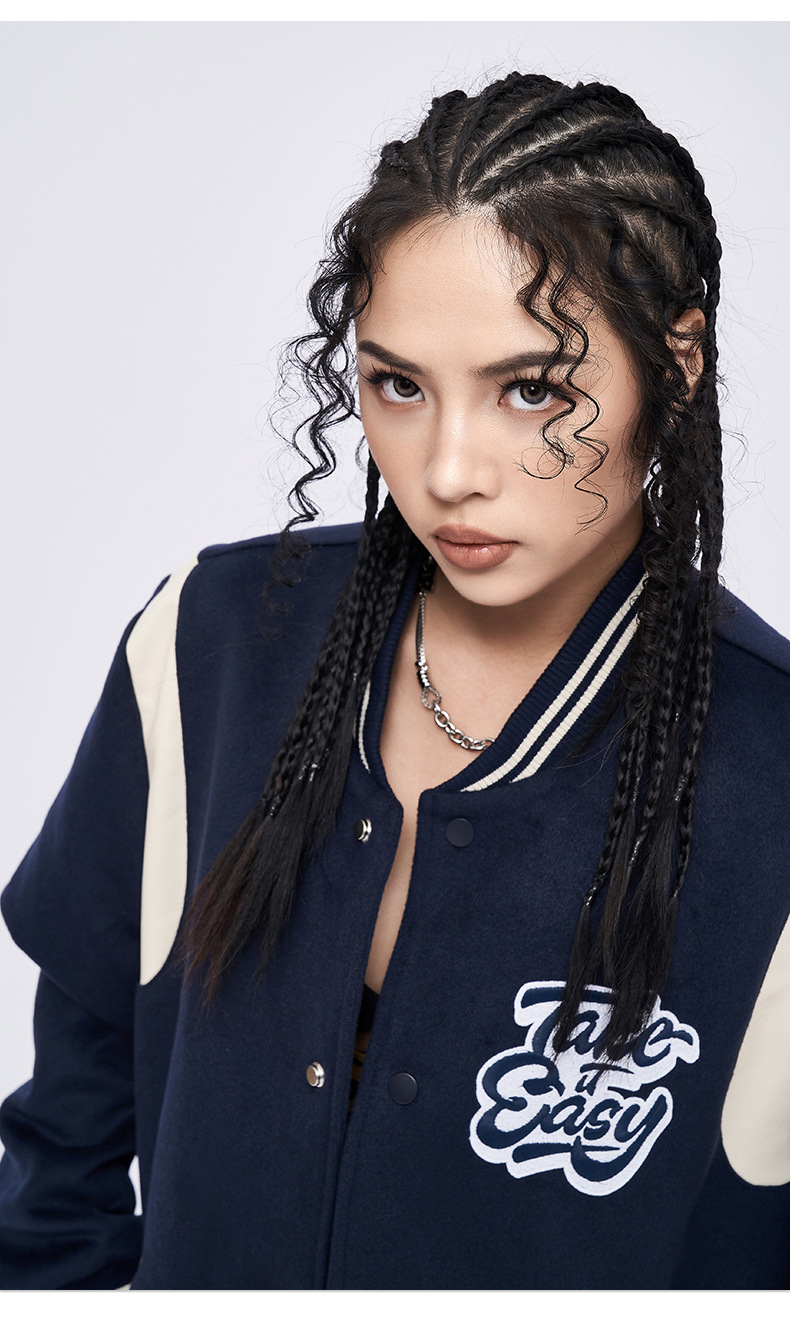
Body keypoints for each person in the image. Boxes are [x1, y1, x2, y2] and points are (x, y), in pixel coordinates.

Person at [0, 70, 788, 1291]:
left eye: (531, 388)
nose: (448, 469)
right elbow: (66, 1135)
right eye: (399, 384)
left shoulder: (769, 772)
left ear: (674, 365)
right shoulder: (212, 648)